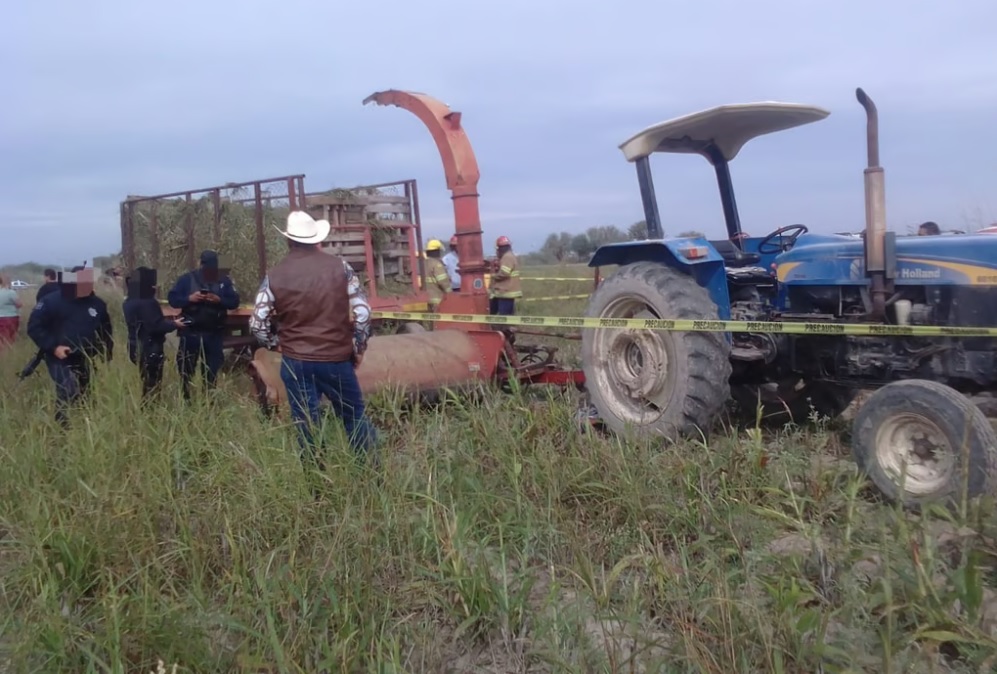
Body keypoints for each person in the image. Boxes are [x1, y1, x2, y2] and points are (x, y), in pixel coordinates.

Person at [249, 210, 376, 470]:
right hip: (337, 359)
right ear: (317, 239)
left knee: (306, 423)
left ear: (288, 241)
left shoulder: (274, 276)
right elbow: (363, 313)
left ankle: (316, 484)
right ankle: (370, 475)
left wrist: (275, 344)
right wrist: (359, 346)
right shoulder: (340, 267)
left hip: (296, 362)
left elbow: (256, 322)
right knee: (353, 417)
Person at [26, 267, 113, 428]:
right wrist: (53, 347)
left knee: (86, 392)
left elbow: (106, 329)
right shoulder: (51, 301)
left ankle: (85, 424)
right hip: (58, 357)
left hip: (86, 356)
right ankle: (63, 427)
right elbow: (34, 328)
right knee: (68, 388)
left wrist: (107, 353)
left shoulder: (97, 304)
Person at [167, 250, 240, 399]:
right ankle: (186, 400)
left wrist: (219, 300)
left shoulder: (224, 281)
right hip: (191, 333)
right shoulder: (187, 279)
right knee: (185, 372)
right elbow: (173, 299)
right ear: (201, 264)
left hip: (213, 333)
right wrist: (190, 298)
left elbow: (234, 302)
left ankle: (209, 402)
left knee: (211, 373)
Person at [124, 267, 185, 399]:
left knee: (146, 380)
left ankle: (149, 409)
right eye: (152, 283)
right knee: (153, 384)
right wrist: (174, 324)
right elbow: (155, 326)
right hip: (150, 347)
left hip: (135, 346)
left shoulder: (129, 301)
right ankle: (151, 411)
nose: (155, 286)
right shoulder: (148, 303)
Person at [489, 235, 522, 315]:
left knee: (505, 315)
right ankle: (504, 326)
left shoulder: (507, 257)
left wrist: (493, 276)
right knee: (496, 311)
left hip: (506, 292)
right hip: (504, 292)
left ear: (499, 248)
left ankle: (505, 327)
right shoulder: (509, 256)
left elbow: (504, 273)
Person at [423, 238, 452, 311]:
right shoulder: (437, 264)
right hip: (438, 300)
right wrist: (450, 293)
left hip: (427, 299)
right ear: (437, 251)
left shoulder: (424, 263)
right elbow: (443, 281)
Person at [0, 274, 23, 347]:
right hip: (11, 317)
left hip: (1, 317)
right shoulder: (11, 292)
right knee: (10, 337)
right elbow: (19, 304)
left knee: (2, 337)